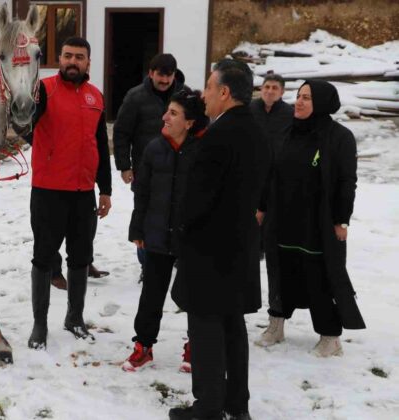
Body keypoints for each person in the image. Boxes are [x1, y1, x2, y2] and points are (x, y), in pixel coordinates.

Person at [168, 59, 268, 420]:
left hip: (210, 252)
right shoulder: (256, 131)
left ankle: (208, 408)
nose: (204, 94)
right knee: (232, 328)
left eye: (209, 88)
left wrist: (181, 231)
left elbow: (197, 200)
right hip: (240, 247)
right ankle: (236, 405)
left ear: (225, 93)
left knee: (207, 330)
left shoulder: (218, 136)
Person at [257, 80, 365, 355]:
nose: (300, 102)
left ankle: (330, 337)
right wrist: (261, 206)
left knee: (319, 277)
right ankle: (276, 325)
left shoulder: (339, 137)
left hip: (316, 223)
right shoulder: (286, 132)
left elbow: (346, 182)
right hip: (282, 219)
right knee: (280, 272)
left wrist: (341, 220)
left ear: (323, 102)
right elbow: (270, 171)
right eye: (298, 96)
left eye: (307, 97)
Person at [27, 36, 112, 349]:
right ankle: (39, 325)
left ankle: (74, 317)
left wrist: (106, 188)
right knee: (44, 257)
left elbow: (100, 143)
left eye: (79, 57)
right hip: (48, 190)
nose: (73, 62)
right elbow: (25, 123)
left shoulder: (95, 97)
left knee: (80, 257)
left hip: (83, 192)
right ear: (59, 59)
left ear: (88, 62)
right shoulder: (44, 91)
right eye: (67, 56)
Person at [122, 88, 208, 373]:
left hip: (192, 238)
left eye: (173, 113)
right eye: (166, 111)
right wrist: (138, 229)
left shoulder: (204, 151)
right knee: (151, 294)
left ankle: (195, 346)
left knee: (194, 294)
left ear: (190, 122)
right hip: (157, 234)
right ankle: (143, 347)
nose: (165, 117)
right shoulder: (154, 148)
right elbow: (142, 193)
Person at [113, 54, 185, 281]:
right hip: (146, 172)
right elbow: (122, 133)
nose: (165, 80)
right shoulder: (135, 97)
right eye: (160, 75)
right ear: (151, 73)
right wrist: (125, 166)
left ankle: (178, 258)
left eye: (169, 75)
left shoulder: (185, 97)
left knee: (179, 215)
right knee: (146, 218)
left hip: (180, 171)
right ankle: (147, 264)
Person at [250, 73, 295, 345]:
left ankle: (276, 319)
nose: (269, 91)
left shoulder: (289, 114)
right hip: (251, 182)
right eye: (266, 87)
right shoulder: (250, 110)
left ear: (281, 92)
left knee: (275, 255)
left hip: (278, 186)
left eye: (274, 88)